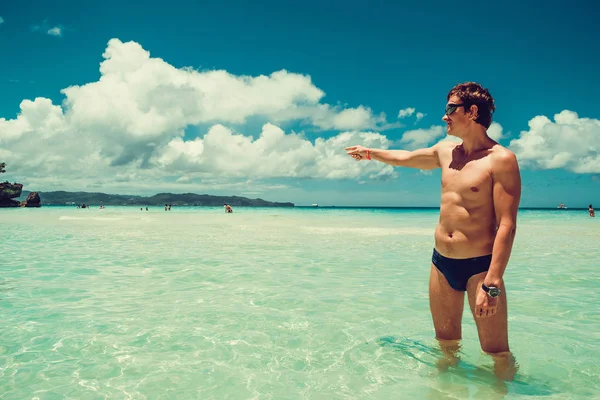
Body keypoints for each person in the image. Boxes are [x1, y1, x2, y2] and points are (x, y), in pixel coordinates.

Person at [346, 82, 521, 379]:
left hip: (481, 268)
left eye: (451, 109)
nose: (444, 117)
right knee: (446, 345)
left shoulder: (501, 160)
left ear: (472, 111)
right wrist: (370, 153)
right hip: (441, 263)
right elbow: (407, 158)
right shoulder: (445, 152)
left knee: (496, 353)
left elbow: (507, 224)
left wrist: (492, 284)